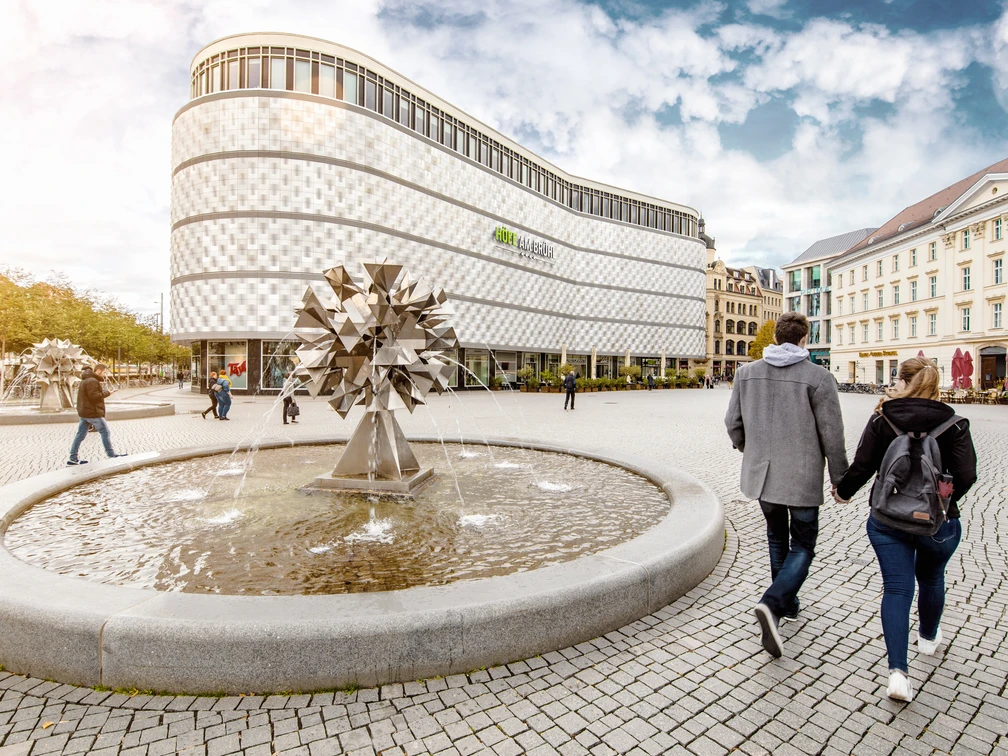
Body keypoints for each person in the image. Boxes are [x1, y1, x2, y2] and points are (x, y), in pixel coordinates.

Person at [834, 358, 976, 702]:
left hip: (888, 520)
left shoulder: (884, 417)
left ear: (904, 382)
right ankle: (928, 638)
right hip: (938, 523)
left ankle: (898, 673)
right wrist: (941, 500)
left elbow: (863, 465)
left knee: (897, 589)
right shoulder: (955, 424)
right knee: (932, 578)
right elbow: (966, 474)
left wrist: (844, 492)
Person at [725, 311, 848, 659]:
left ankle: (786, 603)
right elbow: (833, 435)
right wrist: (840, 479)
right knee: (803, 544)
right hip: (802, 477)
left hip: (763, 476)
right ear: (804, 338)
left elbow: (732, 422)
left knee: (777, 537)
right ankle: (776, 603)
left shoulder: (746, 373)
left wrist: (750, 449)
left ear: (776, 337)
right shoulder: (819, 377)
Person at [67, 363, 126, 465]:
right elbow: (94, 397)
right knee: (105, 432)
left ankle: (72, 458)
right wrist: (107, 393)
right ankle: (111, 454)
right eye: (104, 372)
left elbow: (91, 395)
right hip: (92, 413)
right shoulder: (92, 381)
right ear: (98, 371)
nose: (104, 374)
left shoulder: (85, 380)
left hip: (84, 412)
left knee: (80, 435)